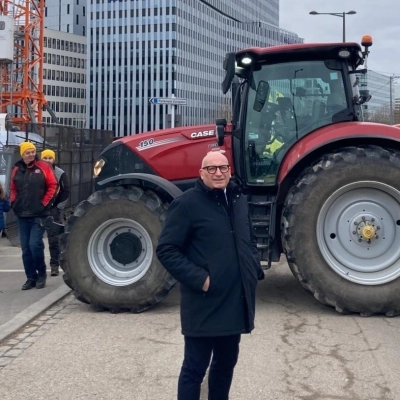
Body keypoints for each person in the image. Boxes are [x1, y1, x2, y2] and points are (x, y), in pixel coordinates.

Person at [156, 150, 264, 400]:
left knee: (226, 364)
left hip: (234, 299)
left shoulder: (237, 200)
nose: (218, 173)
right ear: (201, 173)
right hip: (203, 302)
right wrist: (200, 279)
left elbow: (248, 238)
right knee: (194, 368)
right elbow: (167, 250)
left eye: (223, 168)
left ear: (230, 171)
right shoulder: (186, 204)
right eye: (212, 169)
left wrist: (253, 268)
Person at [10, 142, 58, 290]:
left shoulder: (43, 167)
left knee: (35, 245)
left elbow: (53, 185)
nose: (31, 154)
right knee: (25, 249)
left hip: (39, 214)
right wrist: (14, 202)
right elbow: (13, 188)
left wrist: (44, 204)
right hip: (22, 214)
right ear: (22, 154)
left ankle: (41, 274)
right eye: (27, 152)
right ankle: (31, 277)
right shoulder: (16, 169)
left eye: (32, 151)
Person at [41, 149, 70, 276]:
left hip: (53, 210)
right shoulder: (36, 172)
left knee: (54, 239)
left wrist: (58, 207)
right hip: (39, 209)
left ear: (54, 159)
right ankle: (39, 266)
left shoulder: (60, 173)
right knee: (36, 241)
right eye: (45, 158)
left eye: (50, 158)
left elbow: (66, 190)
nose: (47, 160)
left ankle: (54, 265)